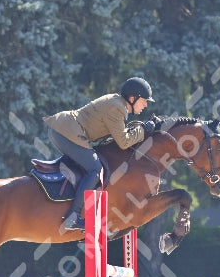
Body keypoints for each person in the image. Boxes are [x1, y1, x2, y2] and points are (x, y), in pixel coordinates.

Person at [44, 77, 159, 231]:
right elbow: (124, 142)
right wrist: (143, 130)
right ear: (132, 98)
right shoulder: (117, 108)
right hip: (66, 132)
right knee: (95, 170)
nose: (145, 105)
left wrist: (142, 129)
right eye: (144, 100)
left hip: (64, 129)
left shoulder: (118, 104)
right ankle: (72, 216)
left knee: (88, 165)